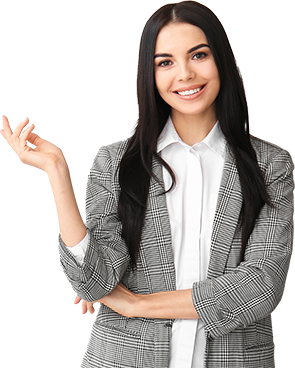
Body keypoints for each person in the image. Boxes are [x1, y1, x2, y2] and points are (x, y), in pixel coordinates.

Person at [1, 1, 294, 367]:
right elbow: (94, 282)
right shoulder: (115, 162)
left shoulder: (270, 164)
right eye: (165, 62)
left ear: (223, 60)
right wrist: (58, 173)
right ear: (150, 76)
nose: (185, 74)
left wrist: (137, 303)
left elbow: (262, 285)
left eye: (198, 55)